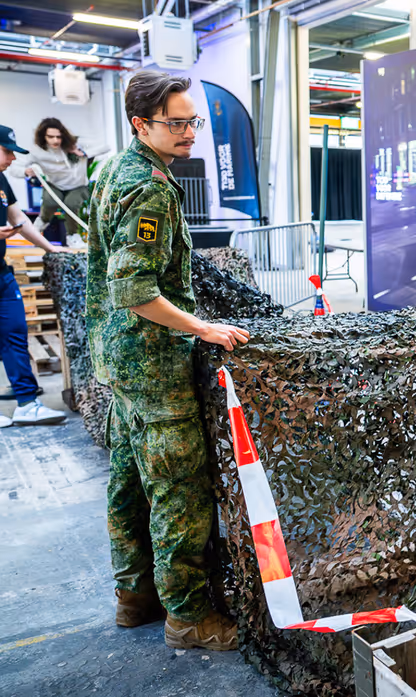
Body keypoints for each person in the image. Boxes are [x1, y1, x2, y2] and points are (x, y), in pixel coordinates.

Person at [86, 70, 250, 651]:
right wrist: (202, 328)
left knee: (130, 480)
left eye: (192, 121)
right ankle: (188, 616)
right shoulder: (149, 187)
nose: (189, 132)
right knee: (179, 490)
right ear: (141, 124)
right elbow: (134, 288)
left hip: (119, 358)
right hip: (152, 363)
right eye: (175, 123)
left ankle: (135, 597)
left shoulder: (113, 169)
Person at [0, 124, 68, 428]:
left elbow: (19, 220)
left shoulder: (1, 180)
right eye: (7, 151)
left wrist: (51, 248)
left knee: (15, 333)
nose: (12, 158)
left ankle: (27, 404)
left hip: (2, 275)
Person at [21, 118, 91, 240]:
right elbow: (17, 167)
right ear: (43, 137)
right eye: (51, 137)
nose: (55, 140)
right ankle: (40, 223)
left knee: (71, 205)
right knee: (50, 202)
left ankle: (73, 236)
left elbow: (105, 147)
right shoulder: (37, 151)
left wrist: (82, 152)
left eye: (58, 137)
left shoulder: (74, 145)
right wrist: (26, 171)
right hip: (55, 185)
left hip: (77, 186)